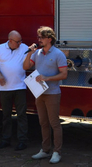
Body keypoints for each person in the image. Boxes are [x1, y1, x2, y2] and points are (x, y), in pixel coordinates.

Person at [23, 26, 68, 164]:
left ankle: (57, 152)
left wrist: (47, 78)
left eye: (41, 37)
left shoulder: (58, 54)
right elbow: (25, 67)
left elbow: (64, 74)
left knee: (54, 123)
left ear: (49, 39)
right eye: (38, 38)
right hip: (39, 93)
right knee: (43, 122)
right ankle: (45, 149)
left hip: (52, 93)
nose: (39, 40)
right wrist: (29, 53)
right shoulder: (36, 53)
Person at [0, 30, 29, 151]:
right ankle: (6, 139)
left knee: (21, 115)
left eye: (21, 41)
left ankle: (22, 141)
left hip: (20, 87)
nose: (20, 43)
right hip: (5, 88)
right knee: (6, 115)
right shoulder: (1, 48)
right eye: (18, 42)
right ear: (10, 41)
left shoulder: (24, 47)